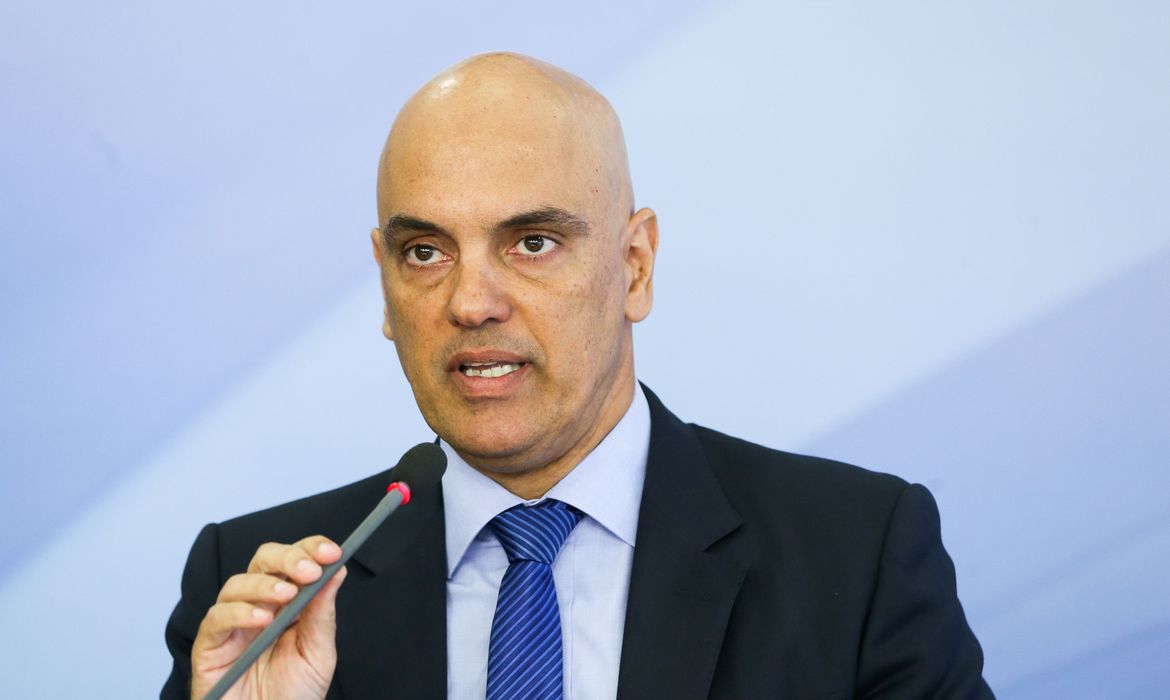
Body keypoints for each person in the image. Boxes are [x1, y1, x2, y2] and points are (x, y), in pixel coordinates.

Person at [163, 53, 993, 699]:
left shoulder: (858, 555)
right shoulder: (259, 593)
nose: (471, 302)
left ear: (635, 266)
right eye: (425, 252)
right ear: (385, 286)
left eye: (532, 243)